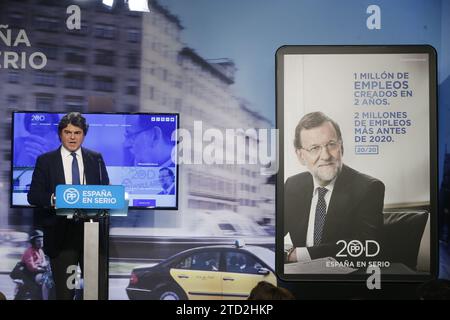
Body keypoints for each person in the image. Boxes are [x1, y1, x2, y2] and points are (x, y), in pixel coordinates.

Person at [27, 112, 109, 300]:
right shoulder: (46, 161)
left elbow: (106, 192)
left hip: (92, 235)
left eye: (77, 132)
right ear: (60, 134)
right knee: (64, 294)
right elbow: (34, 196)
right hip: (60, 235)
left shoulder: (95, 159)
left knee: (96, 293)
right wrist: (56, 199)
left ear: (83, 135)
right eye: (67, 132)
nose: (72, 137)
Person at [284, 112, 385, 263]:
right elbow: (272, 234)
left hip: (345, 279)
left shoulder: (368, 188)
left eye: (331, 144)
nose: (325, 155)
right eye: (314, 148)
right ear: (300, 156)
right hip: (298, 276)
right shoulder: (293, 185)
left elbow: (366, 246)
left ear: (341, 147)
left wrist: (297, 255)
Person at [20, 229, 52, 300]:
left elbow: (44, 262)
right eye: (38, 241)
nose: (41, 242)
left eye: (42, 240)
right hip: (31, 275)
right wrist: (42, 267)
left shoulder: (40, 251)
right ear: (33, 241)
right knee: (46, 280)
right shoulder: (29, 251)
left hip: (39, 273)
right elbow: (32, 267)